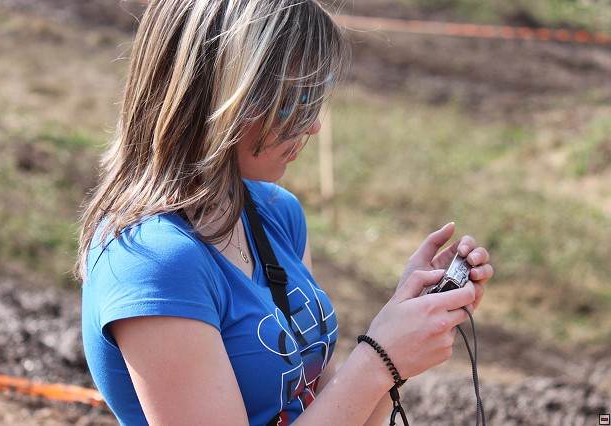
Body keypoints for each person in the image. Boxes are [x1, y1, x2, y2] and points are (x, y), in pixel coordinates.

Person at [75, 0, 494, 425]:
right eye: (294, 99)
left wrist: (403, 327)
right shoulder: (151, 260)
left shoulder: (276, 214)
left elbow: (331, 411)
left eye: (316, 94)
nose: (313, 125)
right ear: (219, 95)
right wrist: (380, 359)